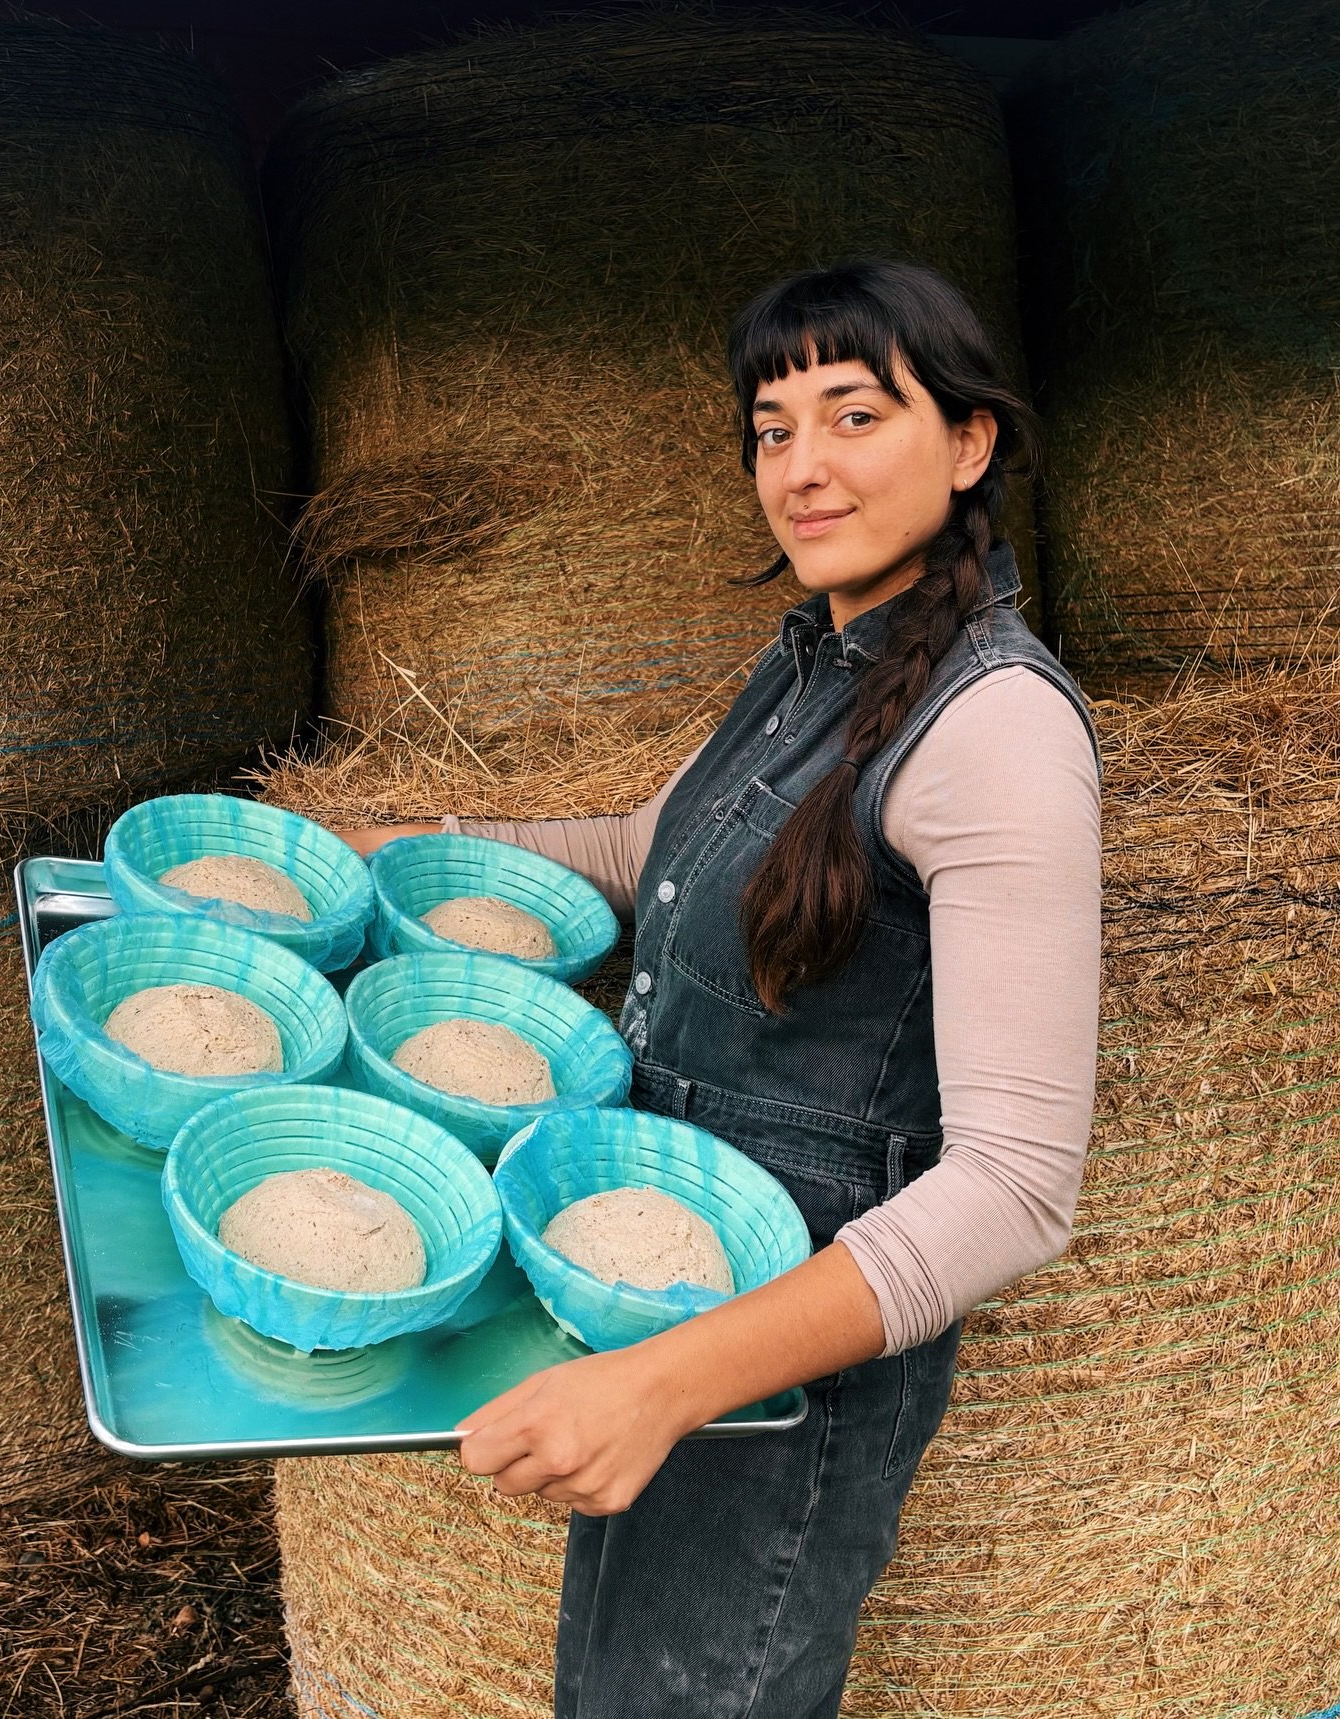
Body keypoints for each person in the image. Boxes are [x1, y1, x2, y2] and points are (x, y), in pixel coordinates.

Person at [339, 257, 1102, 1719]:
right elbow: (648, 852)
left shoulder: (999, 727)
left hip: (775, 1364)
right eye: (770, 429)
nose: (801, 470)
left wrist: (672, 1380)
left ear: (969, 440)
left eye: (853, 415)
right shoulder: (819, 660)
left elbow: (1016, 1185)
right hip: (665, 1289)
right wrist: (383, 856)